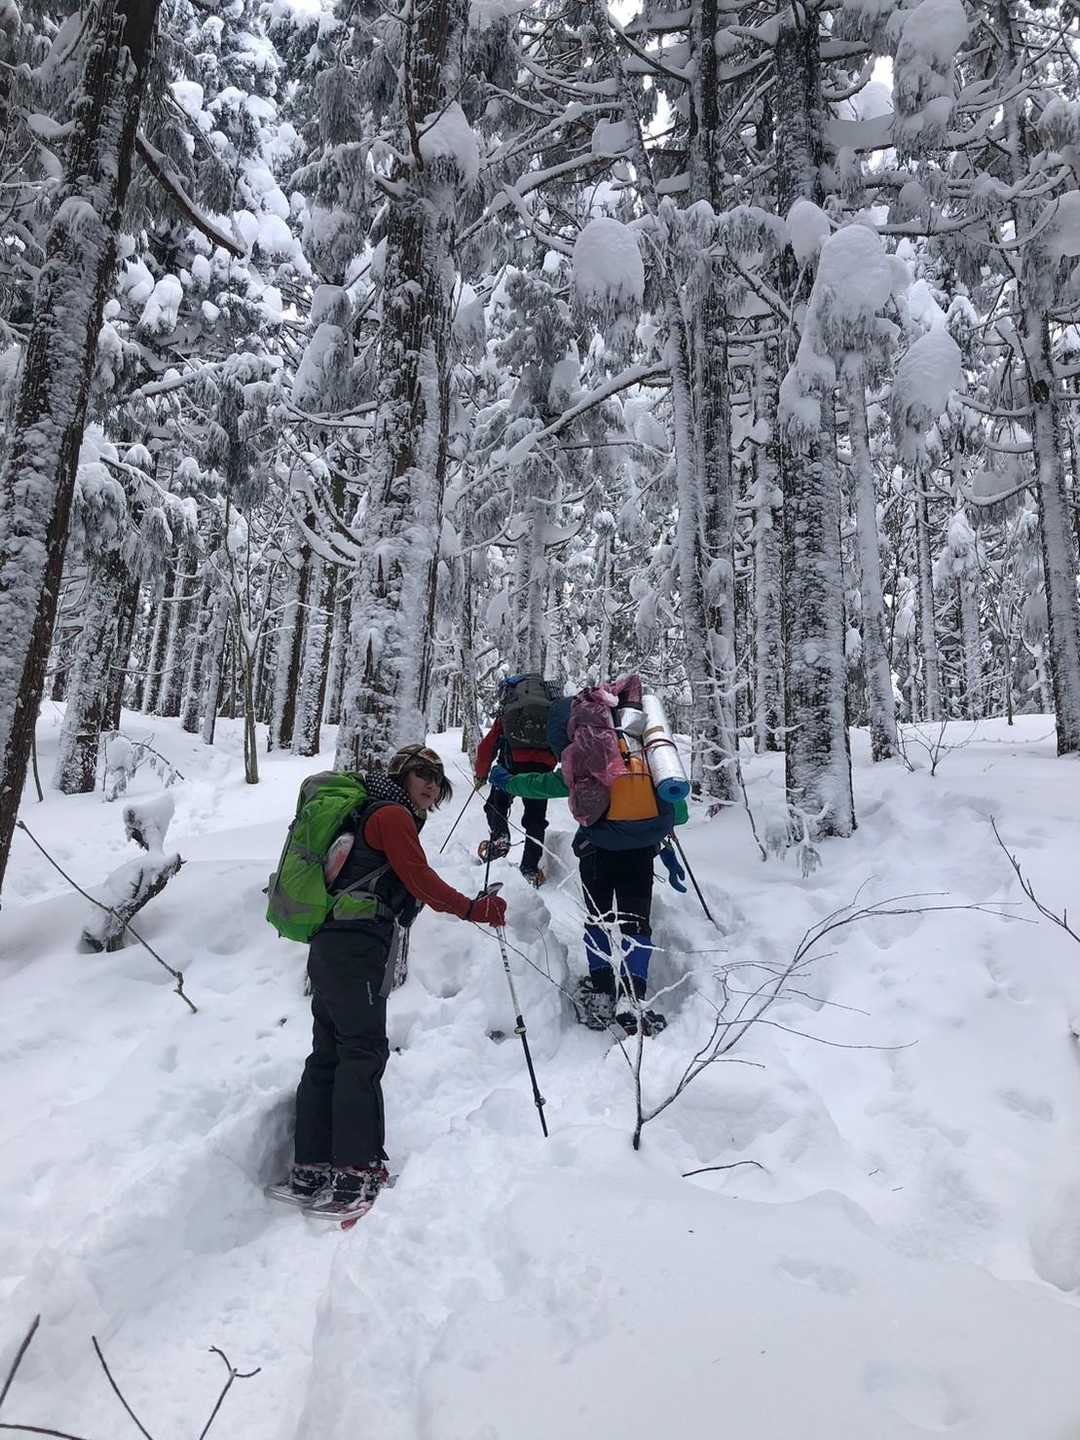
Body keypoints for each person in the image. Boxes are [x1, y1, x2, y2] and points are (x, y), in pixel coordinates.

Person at [269, 744, 508, 1220]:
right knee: (361, 1054)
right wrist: (472, 909)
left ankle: (311, 1170)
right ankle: (354, 1175)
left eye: (437, 779)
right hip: (356, 947)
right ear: (401, 776)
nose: (431, 785)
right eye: (422, 774)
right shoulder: (391, 816)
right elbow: (420, 880)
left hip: (330, 946)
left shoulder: (367, 814)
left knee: (329, 1054)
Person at [489, 703, 687, 1037]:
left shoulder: (587, 757)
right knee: (636, 921)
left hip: (597, 853)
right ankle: (633, 999)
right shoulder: (648, 758)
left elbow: (542, 785)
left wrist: (507, 781)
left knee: (598, 919)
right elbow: (678, 814)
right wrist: (662, 847)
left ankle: (603, 994)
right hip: (640, 855)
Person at [474, 685, 557, 887]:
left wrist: (481, 774)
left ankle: (500, 840)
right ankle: (529, 868)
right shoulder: (549, 712)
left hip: (510, 767)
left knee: (496, 805)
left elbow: (488, 746)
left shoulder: (510, 711)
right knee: (536, 819)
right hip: (542, 770)